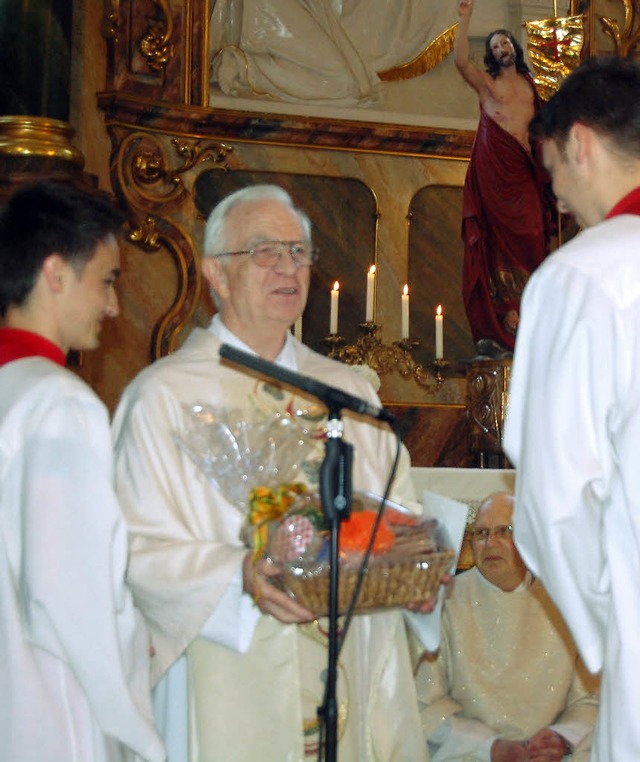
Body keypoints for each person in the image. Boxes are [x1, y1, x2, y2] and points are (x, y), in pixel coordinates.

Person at [112, 184, 443, 761]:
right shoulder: (164, 396)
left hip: (346, 666)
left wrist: (412, 576)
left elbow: (400, 513)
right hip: (224, 672)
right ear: (216, 273)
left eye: (299, 251)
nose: (289, 267)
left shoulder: (349, 392)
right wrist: (238, 572)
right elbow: (128, 550)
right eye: (265, 251)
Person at [503, 55, 640, 761]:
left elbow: (553, 499)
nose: (555, 195)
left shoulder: (586, 275)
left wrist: (606, 631)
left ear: (580, 143)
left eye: (553, 169)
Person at [0, 181, 165, 762]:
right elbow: (70, 593)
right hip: (44, 704)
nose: (114, 305)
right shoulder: (59, 404)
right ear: (56, 273)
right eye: (108, 280)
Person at [415, 492, 599, 762]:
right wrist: (488, 746)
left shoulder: (563, 604)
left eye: (505, 531)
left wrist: (561, 737)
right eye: (481, 533)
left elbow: (588, 699)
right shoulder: (443, 601)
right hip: (469, 753)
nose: (490, 543)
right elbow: (425, 705)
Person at [454, 0, 556, 355]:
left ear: (515, 47)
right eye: (495, 46)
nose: (501, 48)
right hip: (495, 175)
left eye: (506, 43)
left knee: (533, 234)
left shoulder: (532, 87)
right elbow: (460, 62)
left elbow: (544, 129)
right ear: (492, 55)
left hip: (523, 171)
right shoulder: (487, 85)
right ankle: (498, 325)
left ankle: (530, 318)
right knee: (494, 247)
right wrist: (465, 19)